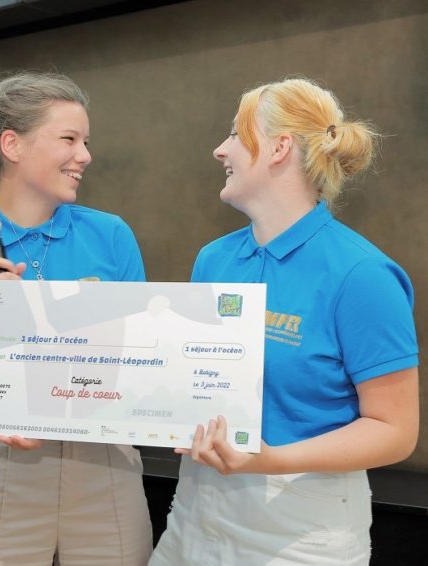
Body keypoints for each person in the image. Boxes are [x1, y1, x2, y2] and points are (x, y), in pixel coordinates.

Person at [149, 77, 420, 566]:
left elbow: (395, 430)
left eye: (234, 134)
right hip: (194, 511)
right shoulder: (213, 260)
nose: (219, 149)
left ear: (279, 147)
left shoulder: (362, 275)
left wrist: (272, 459)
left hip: (300, 534)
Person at [0, 71, 153, 565]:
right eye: (69, 139)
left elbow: (139, 367)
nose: (84, 155)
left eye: (86, 141)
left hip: (105, 467)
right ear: (12, 145)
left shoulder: (111, 237)